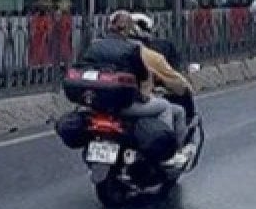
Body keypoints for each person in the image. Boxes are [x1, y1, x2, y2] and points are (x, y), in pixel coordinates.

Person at [78, 11, 194, 166]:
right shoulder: (134, 52)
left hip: (99, 104)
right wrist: (144, 95)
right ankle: (165, 154)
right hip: (125, 105)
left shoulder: (94, 46)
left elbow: (81, 69)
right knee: (166, 107)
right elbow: (144, 76)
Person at [129, 13, 193, 121]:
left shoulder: (105, 51)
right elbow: (174, 78)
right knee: (167, 108)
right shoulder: (150, 55)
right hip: (134, 101)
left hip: (109, 102)